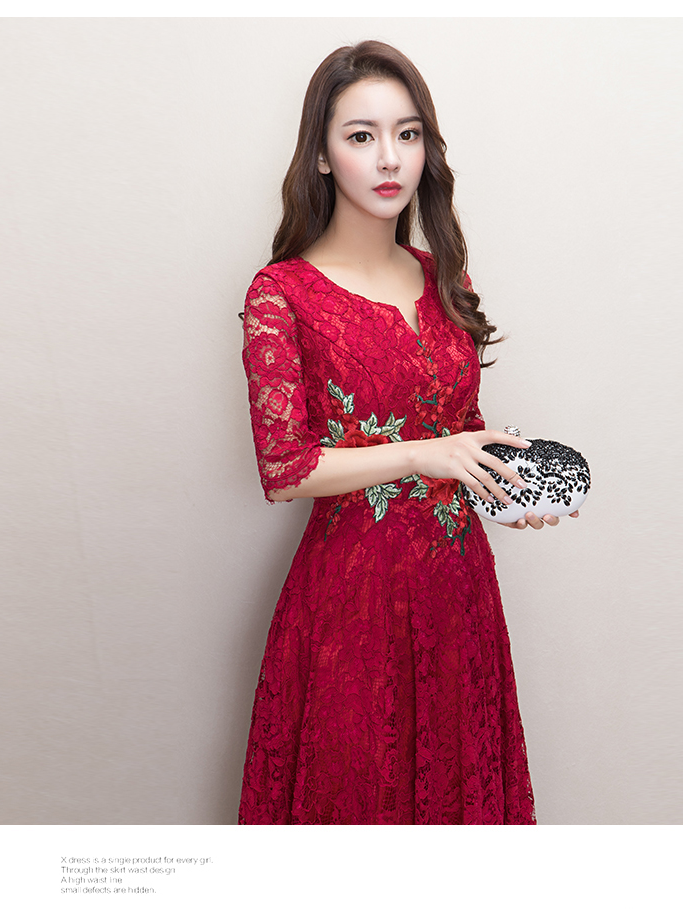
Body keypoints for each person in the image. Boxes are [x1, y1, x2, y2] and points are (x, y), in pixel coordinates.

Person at [238, 39, 578, 825]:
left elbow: (460, 433)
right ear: (321, 156)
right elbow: (285, 469)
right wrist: (428, 452)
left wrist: (507, 489)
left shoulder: (444, 278)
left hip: (460, 597)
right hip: (352, 605)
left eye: (408, 133)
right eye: (361, 136)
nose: (390, 157)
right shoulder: (281, 295)